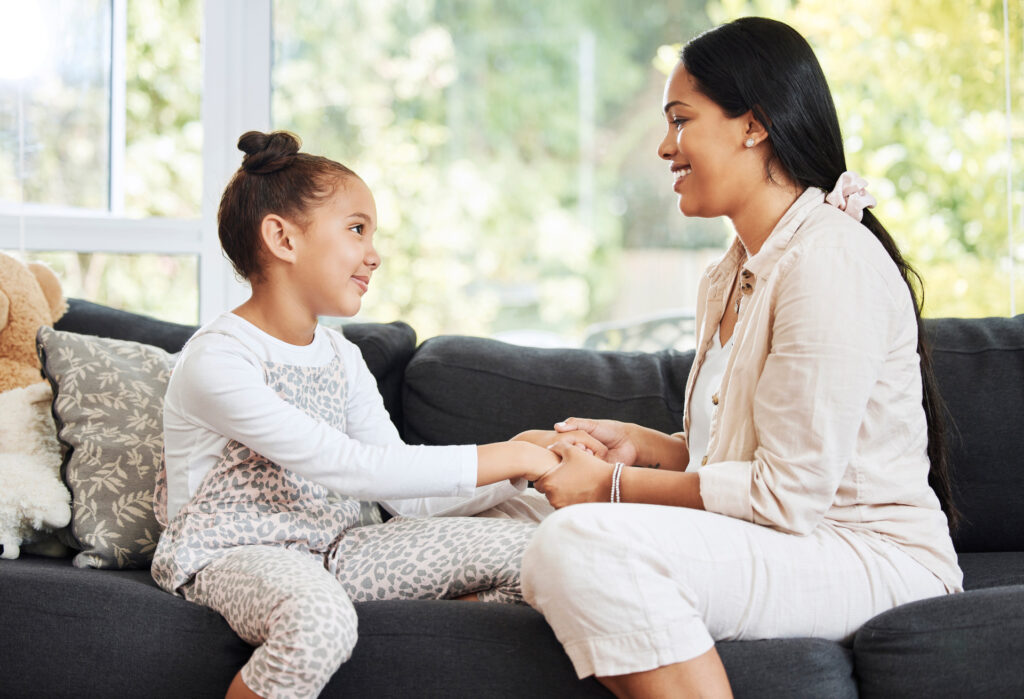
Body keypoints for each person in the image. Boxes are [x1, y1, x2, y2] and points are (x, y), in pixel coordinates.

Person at [515, 17, 962, 699]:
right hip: (794, 534)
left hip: (868, 556)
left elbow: (785, 494)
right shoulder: (730, 274)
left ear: (753, 125)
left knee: (579, 539)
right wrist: (644, 447)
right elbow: (735, 458)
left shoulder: (829, 261)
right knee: (511, 492)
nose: (665, 147)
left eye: (681, 120)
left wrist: (608, 488)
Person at [150, 130, 561, 699]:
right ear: (282, 238)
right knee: (320, 622)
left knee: (554, 551)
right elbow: (347, 466)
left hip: (346, 550)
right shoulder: (219, 358)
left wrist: (525, 464)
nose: (375, 253)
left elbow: (407, 494)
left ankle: (414, 629)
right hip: (240, 555)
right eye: (356, 228)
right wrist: (506, 454)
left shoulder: (343, 357)